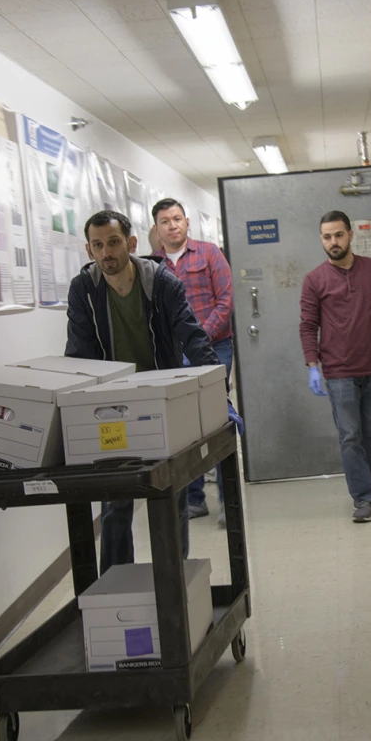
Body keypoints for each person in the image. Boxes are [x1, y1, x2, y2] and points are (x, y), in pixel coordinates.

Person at [65, 210, 220, 574]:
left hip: (159, 404)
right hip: (111, 409)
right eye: (98, 245)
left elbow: (193, 336)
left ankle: (174, 578)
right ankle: (116, 584)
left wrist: (216, 396)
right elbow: (78, 354)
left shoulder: (162, 283)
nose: (106, 253)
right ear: (89, 249)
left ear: (131, 244)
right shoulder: (84, 289)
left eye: (114, 242)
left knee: (171, 496)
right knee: (115, 500)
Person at [300, 210, 371, 523]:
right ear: (321, 240)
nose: (333, 242)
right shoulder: (314, 280)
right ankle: (365, 497)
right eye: (326, 237)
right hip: (338, 371)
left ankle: (367, 490)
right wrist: (312, 365)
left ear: (350, 235)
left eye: (338, 235)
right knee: (350, 436)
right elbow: (308, 325)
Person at [150, 198, 235, 525]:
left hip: (214, 349)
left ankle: (228, 501)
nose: (172, 225)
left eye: (177, 219)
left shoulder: (210, 253)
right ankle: (195, 499)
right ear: (157, 230)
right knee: (183, 427)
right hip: (170, 357)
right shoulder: (151, 264)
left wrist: (198, 338)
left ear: (187, 222)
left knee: (215, 420)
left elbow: (225, 301)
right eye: (165, 221)